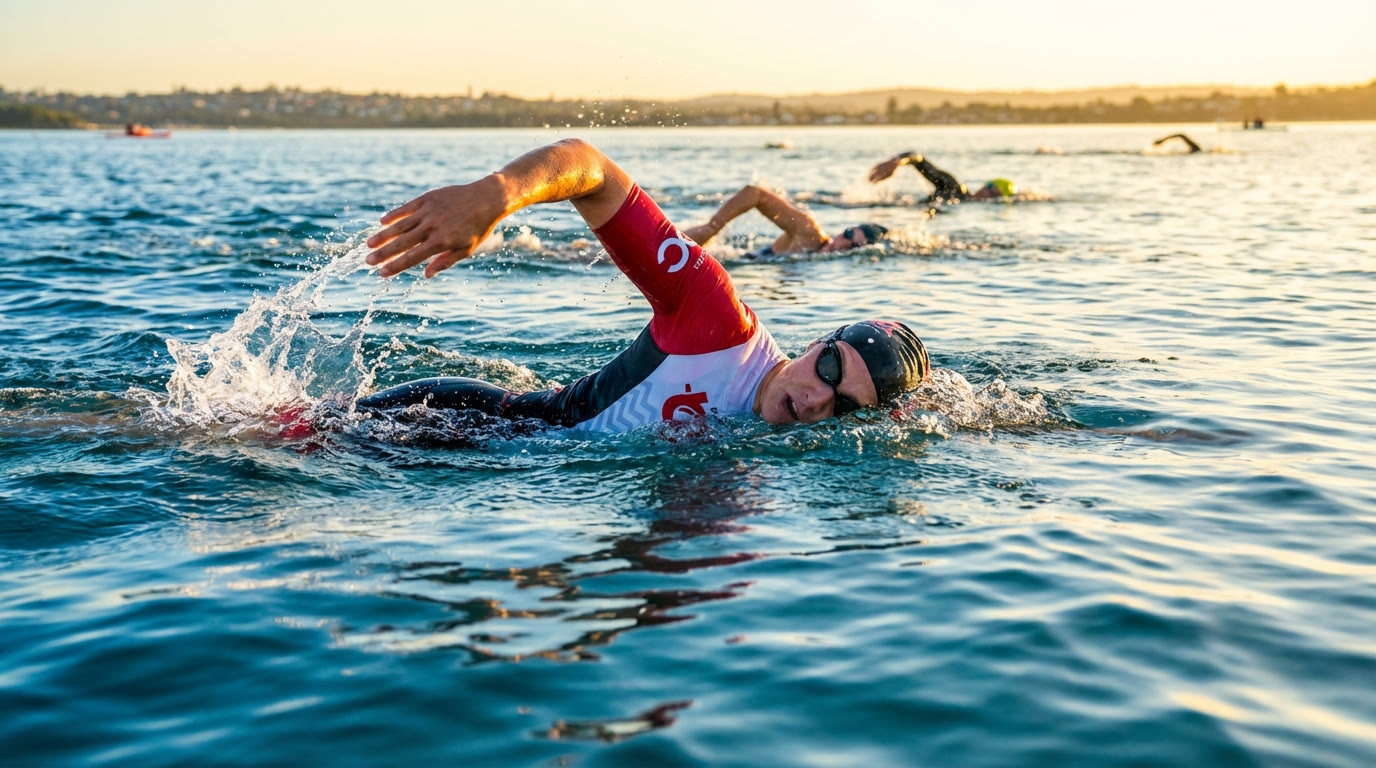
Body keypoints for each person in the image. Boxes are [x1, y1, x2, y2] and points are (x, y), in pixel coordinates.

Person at [357, 139, 929, 432]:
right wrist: (495, 195)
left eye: (846, 407)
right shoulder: (716, 319)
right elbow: (594, 170)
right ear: (815, 344)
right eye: (829, 369)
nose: (816, 399)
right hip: (462, 427)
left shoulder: (778, 448)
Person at [681, 184, 889, 258]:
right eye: (849, 234)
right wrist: (713, 226)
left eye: (853, 245)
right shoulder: (809, 231)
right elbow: (755, 193)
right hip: (748, 257)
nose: (844, 242)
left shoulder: (820, 262)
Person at [868, 151, 1015, 204]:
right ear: (985, 184)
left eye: (994, 194)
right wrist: (898, 161)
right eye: (989, 187)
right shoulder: (954, 188)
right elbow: (920, 160)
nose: (986, 193)